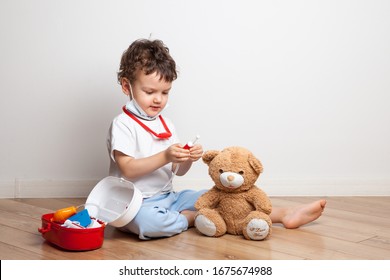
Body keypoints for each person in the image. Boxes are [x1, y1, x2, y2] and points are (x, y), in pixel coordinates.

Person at [107, 39, 326, 240]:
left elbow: (177, 171)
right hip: (136, 204)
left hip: (169, 197)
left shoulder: (165, 123)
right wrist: (166, 155)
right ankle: (190, 219)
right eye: (150, 91)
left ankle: (282, 214)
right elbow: (128, 169)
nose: (158, 99)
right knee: (150, 222)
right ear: (127, 86)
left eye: (165, 92)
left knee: (218, 196)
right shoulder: (123, 124)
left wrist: (187, 159)